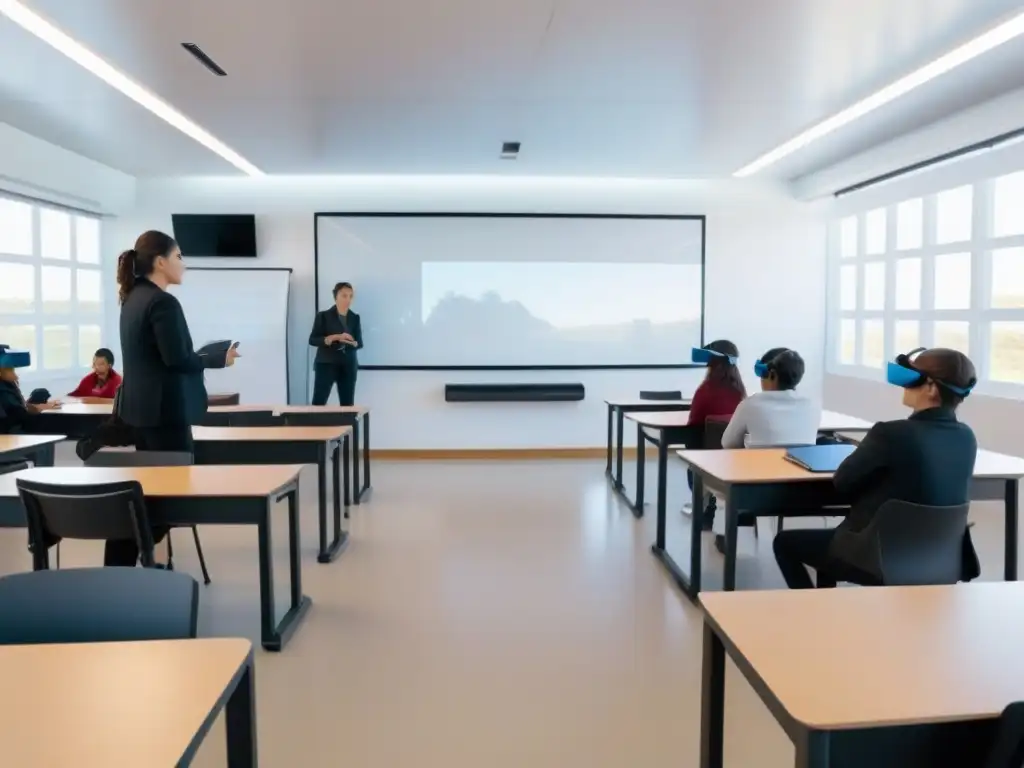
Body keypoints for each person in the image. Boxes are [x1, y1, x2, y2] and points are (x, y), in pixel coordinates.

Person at [772, 347, 980, 589]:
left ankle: (815, 617)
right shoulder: (967, 438)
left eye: (911, 379)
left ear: (932, 388)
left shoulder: (889, 434)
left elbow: (843, 482)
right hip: (939, 559)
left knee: (785, 543)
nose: (904, 386)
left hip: (875, 558)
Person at [113, 230, 240, 566]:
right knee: (169, 501)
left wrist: (197, 356)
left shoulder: (133, 298)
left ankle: (121, 568)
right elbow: (177, 360)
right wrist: (216, 359)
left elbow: (162, 357)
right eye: (179, 256)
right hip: (164, 415)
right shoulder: (162, 302)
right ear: (160, 261)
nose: (183, 263)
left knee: (148, 496)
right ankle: (128, 564)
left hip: (140, 413)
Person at [686, 340, 746, 527]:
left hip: (707, 458)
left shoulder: (704, 391)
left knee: (692, 456)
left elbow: (693, 426)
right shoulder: (740, 392)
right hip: (734, 458)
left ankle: (707, 506)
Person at [721, 348, 820, 449]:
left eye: (762, 374)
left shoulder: (749, 405)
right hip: (800, 464)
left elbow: (728, 443)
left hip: (758, 464)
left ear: (772, 375)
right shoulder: (813, 406)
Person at [309, 281, 363, 406]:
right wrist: (335, 337)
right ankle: (315, 425)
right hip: (326, 364)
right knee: (319, 402)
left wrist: (352, 343)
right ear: (336, 296)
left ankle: (347, 426)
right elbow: (313, 340)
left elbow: (359, 342)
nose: (348, 299)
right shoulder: (323, 316)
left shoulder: (355, 317)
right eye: (344, 295)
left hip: (348, 365)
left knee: (348, 405)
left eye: (350, 296)